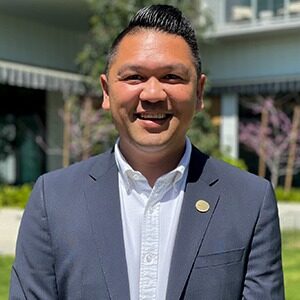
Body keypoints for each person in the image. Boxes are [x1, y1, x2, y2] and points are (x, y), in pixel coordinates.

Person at [10, 4, 284, 300]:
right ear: (106, 91)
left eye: (172, 77)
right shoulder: (53, 199)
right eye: (134, 77)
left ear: (199, 92)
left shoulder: (249, 201)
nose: (153, 94)